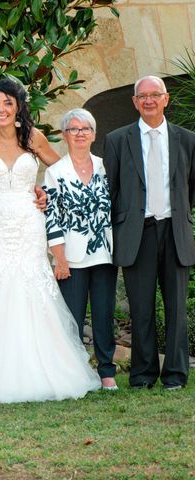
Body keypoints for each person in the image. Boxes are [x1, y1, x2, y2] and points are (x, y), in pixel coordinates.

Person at [0, 78, 101, 403]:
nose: (1, 110)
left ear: (18, 106)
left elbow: (61, 169)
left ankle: (43, 368)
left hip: (28, 222)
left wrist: (46, 193)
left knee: (30, 283)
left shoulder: (33, 137)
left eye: (7, 103)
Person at [104, 75, 195, 390]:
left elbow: (190, 188)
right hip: (137, 234)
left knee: (176, 308)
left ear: (165, 99)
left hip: (175, 231)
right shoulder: (117, 140)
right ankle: (142, 374)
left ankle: (175, 375)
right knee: (141, 307)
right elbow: (111, 189)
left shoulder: (188, 140)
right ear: (134, 102)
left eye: (155, 95)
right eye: (142, 96)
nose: (149, 100)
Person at [43, 108, 118, 391]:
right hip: (71, 258)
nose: (80, 134)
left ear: (94, 134)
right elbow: (52, 218)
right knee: (72, 318)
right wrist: (59, 258)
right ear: (64, 136)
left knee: (103, 313)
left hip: (105, 254)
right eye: (73, 129)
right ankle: (74, 372)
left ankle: (107, 371)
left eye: (85, 129)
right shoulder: (55, 173)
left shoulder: (107, 166)